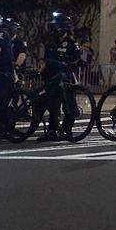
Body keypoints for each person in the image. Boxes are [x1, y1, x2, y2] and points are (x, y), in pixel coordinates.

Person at [37, 12, 80, 141]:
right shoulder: (51, 44)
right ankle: (52, 130)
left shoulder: (72, 44)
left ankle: (67, 130)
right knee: (52, 105)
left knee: (69, 106)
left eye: (56, 27)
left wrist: (68, 64)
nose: (54, 30)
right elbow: (46, 60)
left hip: (66, 78)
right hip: (51, 78)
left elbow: (76, 61)